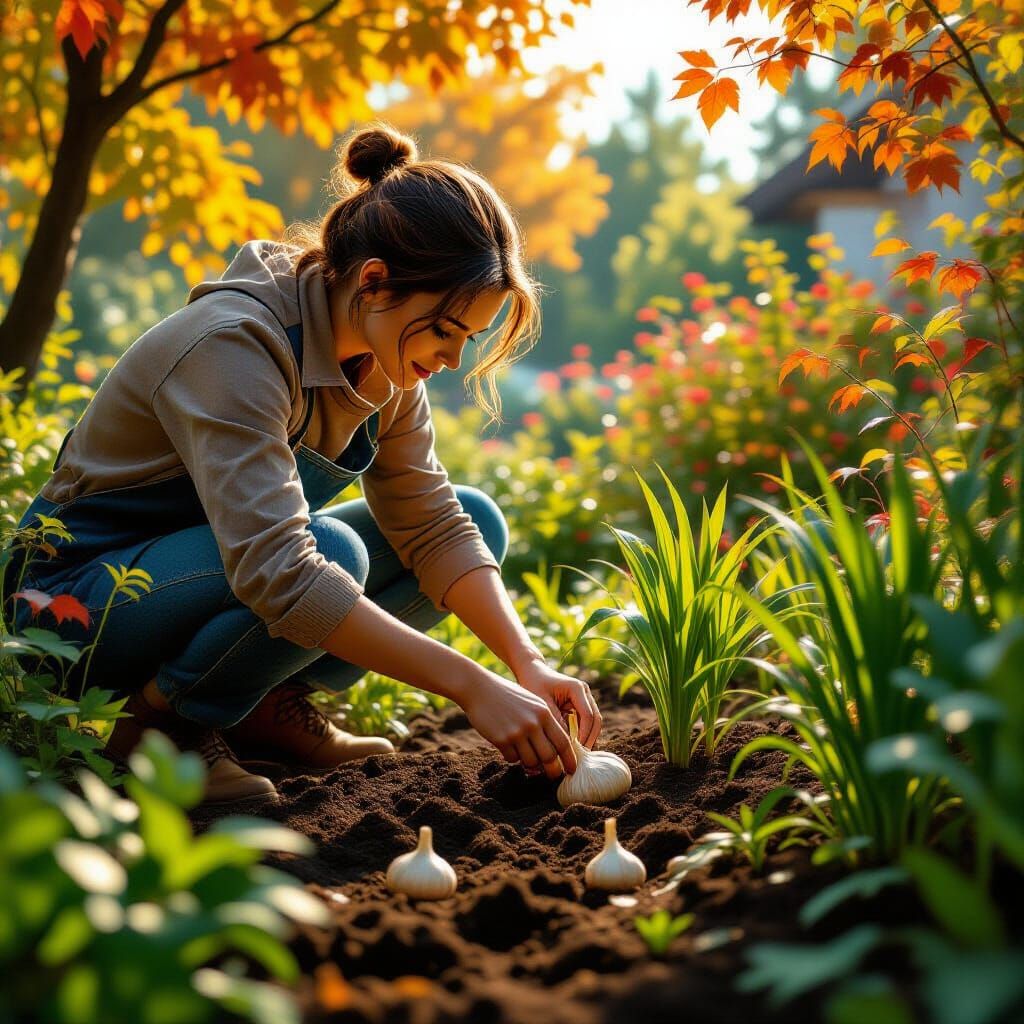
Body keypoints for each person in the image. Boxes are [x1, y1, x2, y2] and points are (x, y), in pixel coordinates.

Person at [1, 122, 603, 805]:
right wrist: (471, 685)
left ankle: (257, 702)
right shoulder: (233, 346)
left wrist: (526, 664)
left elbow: (430, 524)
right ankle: (151, 730)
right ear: (375, 282)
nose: (453, 359)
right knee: (329, 550)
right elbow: (280, 571)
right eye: (445, 329)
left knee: (474, 521)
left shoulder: (386, 361)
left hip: (204, 574)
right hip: (70, 602)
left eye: (470, 338)